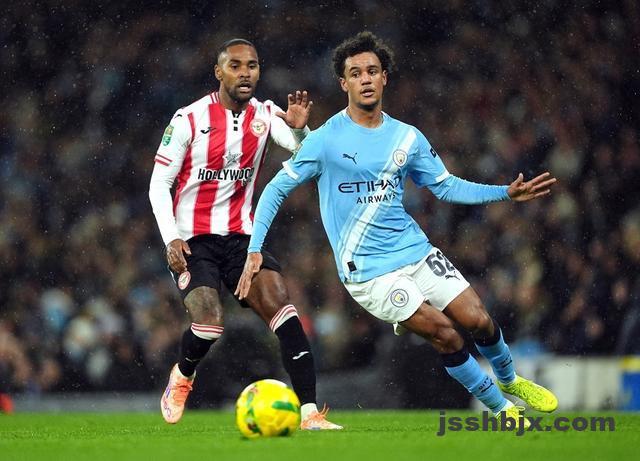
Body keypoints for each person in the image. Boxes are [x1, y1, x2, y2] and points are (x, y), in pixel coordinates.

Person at [236, 32, 559, 424]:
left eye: (372, 71)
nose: (366, 79)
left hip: (415, 251)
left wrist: (504, 193)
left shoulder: (407, 137)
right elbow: (274, 190)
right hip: (369, 272)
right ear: (344, 83)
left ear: (384, 77)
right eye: (356, 73)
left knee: (478, 319)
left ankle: (510, 381)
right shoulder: (325, 140)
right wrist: (255, 247)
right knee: (445, 333)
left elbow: (445, 186)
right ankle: (503, 410)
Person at [149, 38, 341, 430]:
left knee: (284, 310)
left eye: (252, 65)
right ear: (219, 72)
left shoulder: (266, 114)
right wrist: (170, 238)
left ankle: (309, 413)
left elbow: (305, 155)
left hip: (242, 239)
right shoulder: (188, 119)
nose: (245, 73)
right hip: (193, 240)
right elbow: (158, 184)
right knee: (209, 323)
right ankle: (182, 375)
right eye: (235, 65)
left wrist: (301, 131)